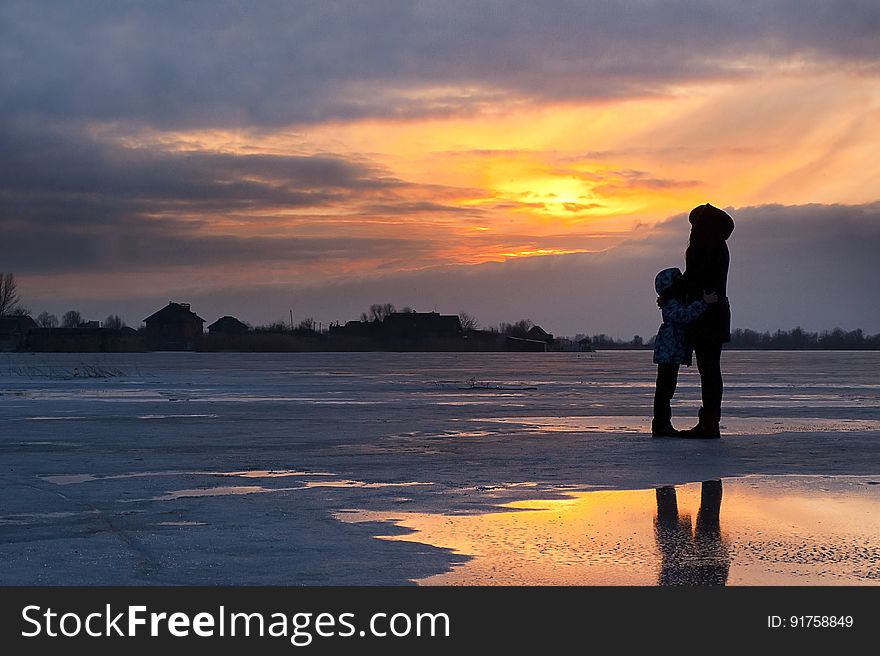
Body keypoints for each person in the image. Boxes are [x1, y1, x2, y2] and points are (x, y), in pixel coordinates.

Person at [681, 203, 735, 438]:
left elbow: (693, 278)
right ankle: (709, 421)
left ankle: (709, 424)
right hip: (713, 313)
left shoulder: (706, 247)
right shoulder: (716, 246)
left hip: (707, 315)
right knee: (710, 369)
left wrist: (670, 291)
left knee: (709, 369)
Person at [651, 267, 718, 437]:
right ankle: (661, 424)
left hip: (671, 352)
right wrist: (704, 302)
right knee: (664, 389)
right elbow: (684, 316)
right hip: (668, 352)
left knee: (666, 388)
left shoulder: (674, 301)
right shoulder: (672, 303)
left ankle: (662, 423)